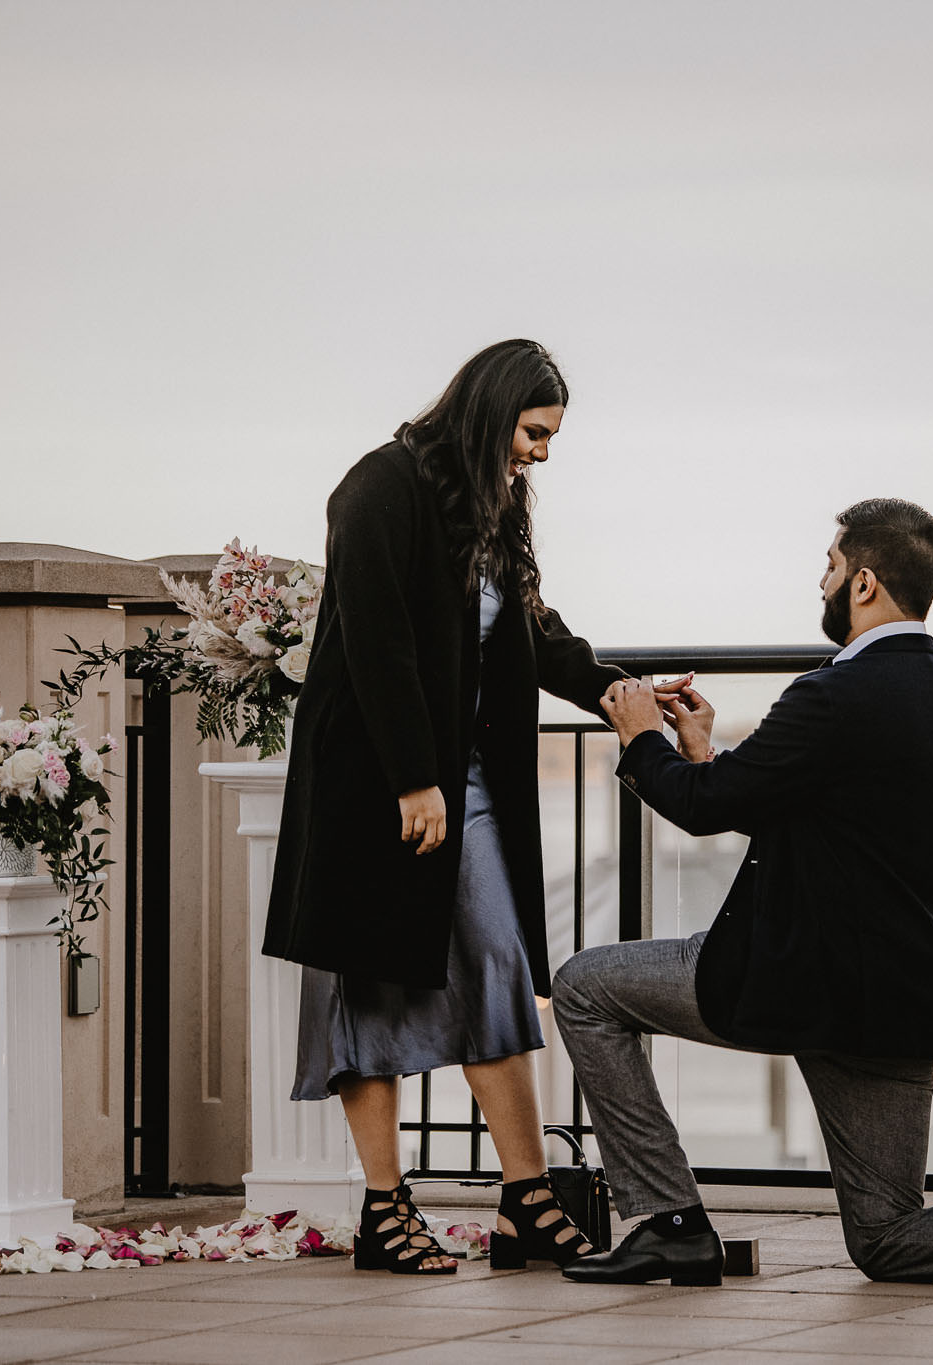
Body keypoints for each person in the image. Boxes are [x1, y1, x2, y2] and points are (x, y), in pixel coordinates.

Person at [553, 497, 933, 1290]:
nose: (823, 580)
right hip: (902, 995)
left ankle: (670, 1220)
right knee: (886, 1235)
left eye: (832, 566)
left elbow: (704, 809)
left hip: (799, 977)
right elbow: (814, 816)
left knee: (584, 988)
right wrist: (704, 750)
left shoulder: (831, 694)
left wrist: (640, 735)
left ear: (866, 581)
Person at [263, 339, 680, 1274]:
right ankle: (384, 1207)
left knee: (498, 959)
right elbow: (377, 641)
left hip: (470, 782)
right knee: (365, 986)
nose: (541, 452)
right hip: (373, 783)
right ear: (495, 413)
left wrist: (623, 694)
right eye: (535, 432)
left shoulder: (494, 506)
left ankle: (525, 1198)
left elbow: (532, 628)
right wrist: (414, 776)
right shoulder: (379, 486)